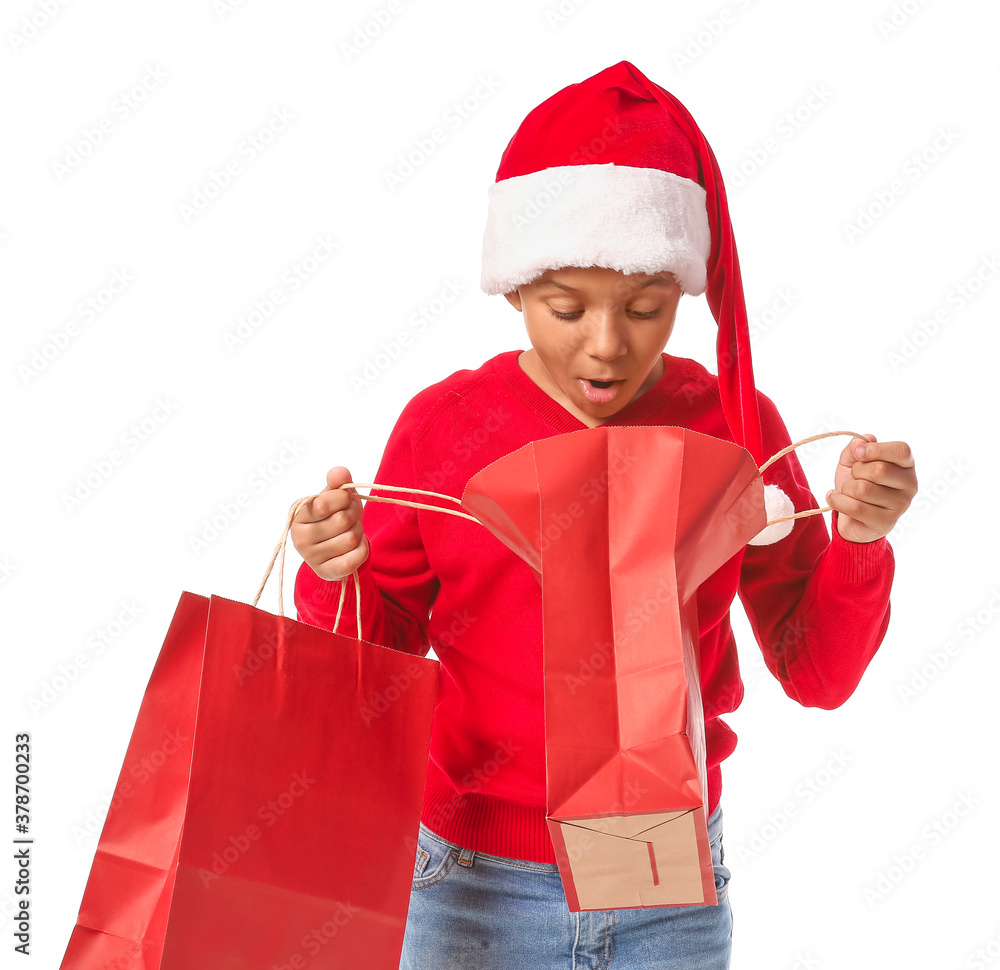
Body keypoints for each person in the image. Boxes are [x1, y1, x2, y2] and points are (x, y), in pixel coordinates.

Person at [291, 61, 917, 970]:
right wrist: (335, 570)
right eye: (566, 307)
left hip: (666, 878)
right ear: (512, 289)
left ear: (683, 290)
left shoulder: (735, 428)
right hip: (473, 877)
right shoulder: (447, 428)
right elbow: (378, 665)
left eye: (645, 306)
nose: (607, 343)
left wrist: (857, 546)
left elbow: (815, 671)